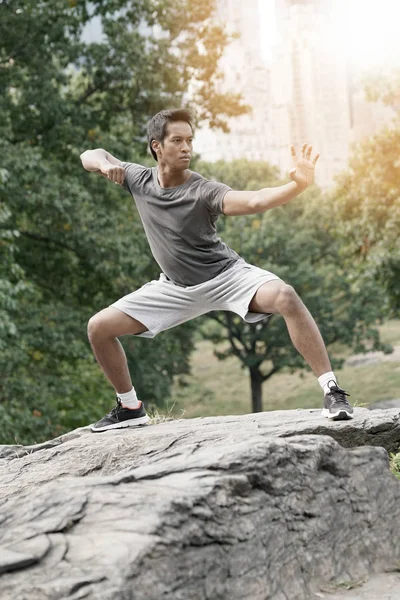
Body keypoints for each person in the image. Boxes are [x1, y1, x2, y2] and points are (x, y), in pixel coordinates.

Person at [80, 108, 353, 432]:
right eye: (177, 140)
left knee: (284, 296)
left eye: (190, 141)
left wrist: (295, 187)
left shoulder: (203, 190)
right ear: (157, 146)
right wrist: (105, 163)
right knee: (98, 328)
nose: (187, 148)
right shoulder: (139, 179)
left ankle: (331, 391)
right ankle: (129, 407)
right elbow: (89, 154)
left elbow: (254, 201)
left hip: (226, 278)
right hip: (175, 288)